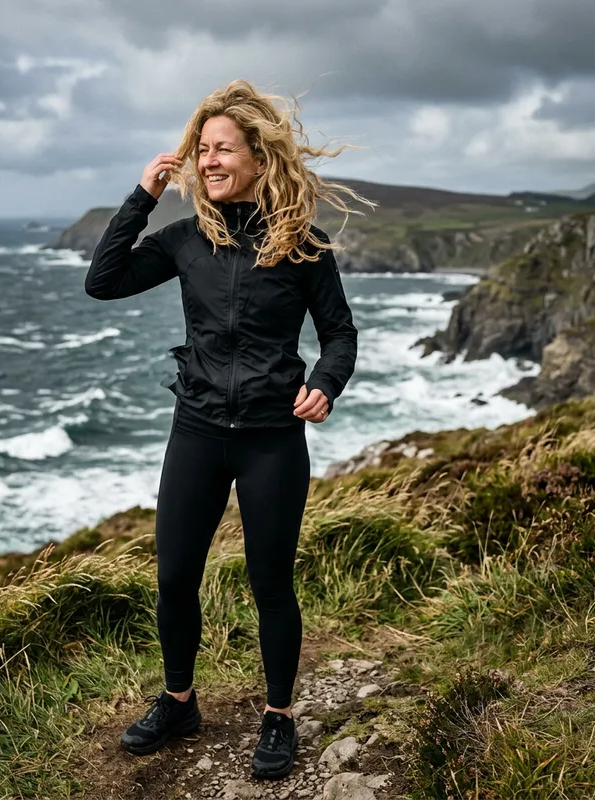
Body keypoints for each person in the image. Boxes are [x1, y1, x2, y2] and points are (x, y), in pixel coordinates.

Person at [85, 79, 372, 780]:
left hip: (273, 435)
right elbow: (104, 279)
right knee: (176, 576)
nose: (207, 161)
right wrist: (142, 195)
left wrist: (325, 385)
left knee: (270, 581)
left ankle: (278, 716)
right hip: (199, 430)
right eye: (200, 150)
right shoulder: (185, 240)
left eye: (221, 149)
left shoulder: (301, 244)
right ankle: (179, 700)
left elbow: (339, 334)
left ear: (256, 155)